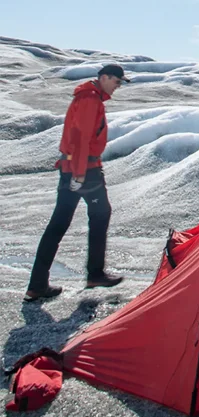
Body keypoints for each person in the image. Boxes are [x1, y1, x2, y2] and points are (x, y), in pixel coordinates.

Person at [25, 64, 129, 302]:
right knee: (100, 214)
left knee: (59, 224)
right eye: (117, 81)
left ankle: (37, 285)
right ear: (104, 77)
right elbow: (81, 137)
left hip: (73, 168)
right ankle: (95, 274)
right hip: (85, 171)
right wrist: (80, 174)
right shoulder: (90, 99)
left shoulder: (89, 97)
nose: (118, 86)